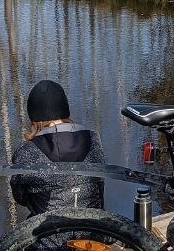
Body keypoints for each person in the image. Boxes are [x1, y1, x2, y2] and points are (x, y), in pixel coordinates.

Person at [9, 78, 106, 216]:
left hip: (49, 234)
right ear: (65, 108)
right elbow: (100, 185)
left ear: (33, 118)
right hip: (93, 231)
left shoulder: (26, 151)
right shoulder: (93, 139)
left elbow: (20, 196)